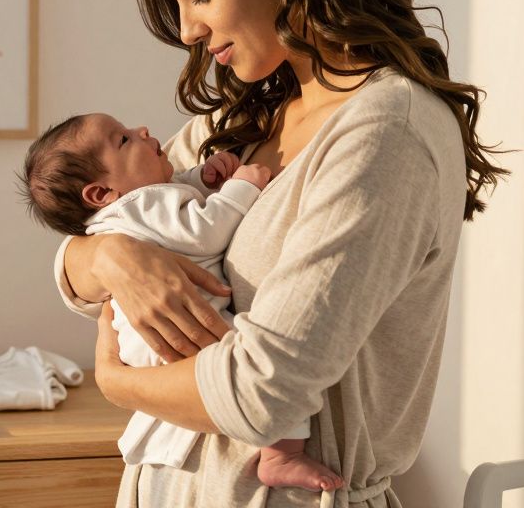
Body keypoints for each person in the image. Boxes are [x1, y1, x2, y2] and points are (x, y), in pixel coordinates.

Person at [53, 0, 508, 507]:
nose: (188, 31)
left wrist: (117, 382)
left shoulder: (385, 134)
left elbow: (262, 392)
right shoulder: (245, 118)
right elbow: (82, 246)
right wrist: (114, 258)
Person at [19, 112, 344, 492]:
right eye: (123, 140)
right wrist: (241, 187)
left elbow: (175, 189)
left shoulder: (135, 201)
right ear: (101, 193)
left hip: (149, 349)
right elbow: (203, 231)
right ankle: (281, 455)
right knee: (263, 359)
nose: (141, 130)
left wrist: (207, 176)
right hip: (174, 335)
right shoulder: (139, 205)